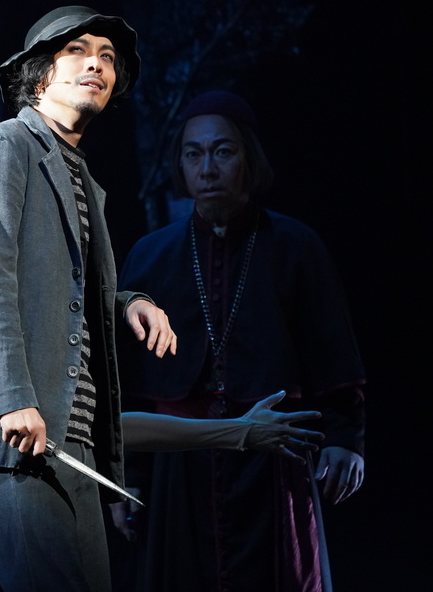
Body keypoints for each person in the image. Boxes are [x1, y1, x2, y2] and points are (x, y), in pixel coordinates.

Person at [0, 6, 177, 592]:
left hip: (70, 432)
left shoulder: (80, 176)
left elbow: (56, 286)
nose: (96, 64)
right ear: (39, 73)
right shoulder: (3, 146)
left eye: (106, 56)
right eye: (78, 51)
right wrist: (11, 399)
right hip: (13, 431)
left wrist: (126, 302)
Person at [117, 90, 366, 591]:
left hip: (273, 457)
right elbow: (130, 382)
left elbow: (332, 352)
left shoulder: (296, 246)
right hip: (177, 465)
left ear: (248, 157)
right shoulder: (150, 255)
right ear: (181, 164)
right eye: (194, 154)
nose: (207, 168)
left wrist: (345, 439)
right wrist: (125, 479)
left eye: (223, 152)